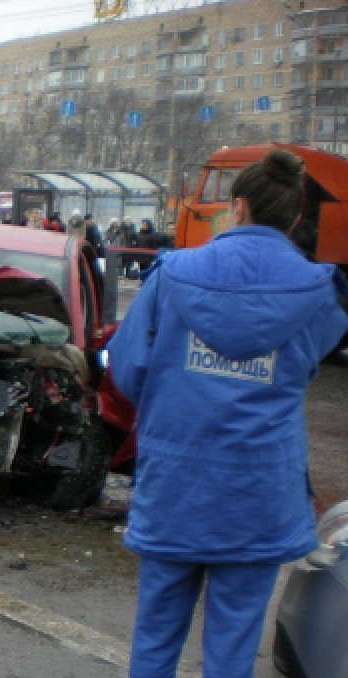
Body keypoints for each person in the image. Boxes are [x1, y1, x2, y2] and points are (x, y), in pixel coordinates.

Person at [106, 149, 348, 678]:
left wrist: (176, 395)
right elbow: (309, 362)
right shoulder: (318, 291)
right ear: (297, 218)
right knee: (233, 643)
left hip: (176, 482)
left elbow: (126, 371)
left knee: (155, 634)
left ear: (236, 206)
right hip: (259, 487)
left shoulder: (172, 275)